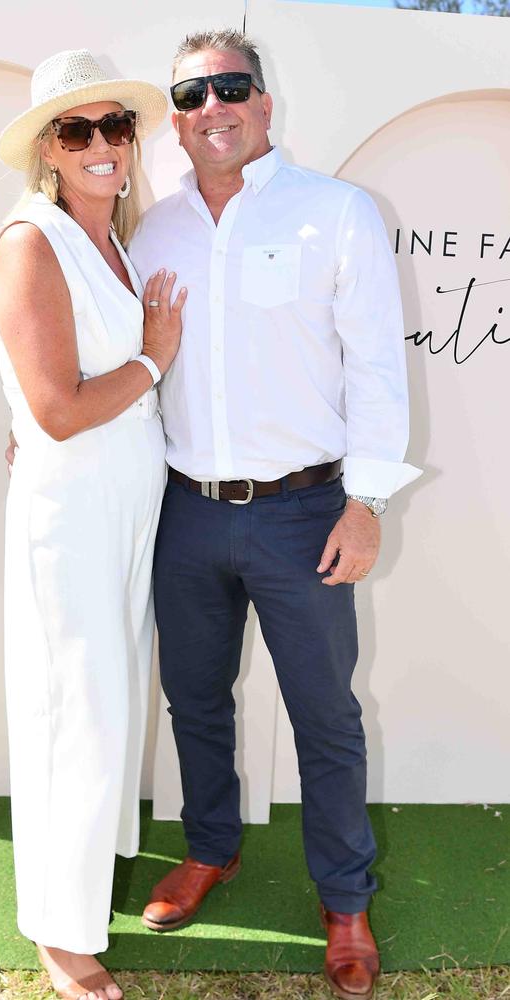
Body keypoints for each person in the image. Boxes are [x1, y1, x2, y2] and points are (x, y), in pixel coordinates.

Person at [126, 29, 421, 1000]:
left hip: (304, 513)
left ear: (262, 101)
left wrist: (366, 499)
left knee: (325, 717)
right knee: (194, 699)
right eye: (191, 93)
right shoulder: (151, 230)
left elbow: (377, 362)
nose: (212, 105)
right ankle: (210, 847)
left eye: (229, 87)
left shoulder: (333, 213)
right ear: (174, 118)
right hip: (183, 513)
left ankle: (343, 896)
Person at [0, 50, 186, 1000]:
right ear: (49, 152)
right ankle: (59, 936)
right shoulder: (31, 241)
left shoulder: (115, 238)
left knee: (105, 710)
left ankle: (76, 894)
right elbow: (58, 408)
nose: (102, 144)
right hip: (72, 516)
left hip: (121, 506)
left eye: (116, 126)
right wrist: (153, 360)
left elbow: (46, 401)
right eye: (78, 130)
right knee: (75, 714)